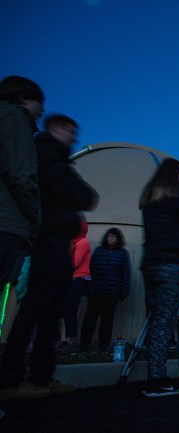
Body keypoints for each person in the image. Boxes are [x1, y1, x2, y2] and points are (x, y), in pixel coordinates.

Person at [0, 114, 97, 400]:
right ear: (56, 128)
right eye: (69, 131)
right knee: (36, 308)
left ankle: (41, 376)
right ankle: (11, 379)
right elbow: (83, 195)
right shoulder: (46, 156)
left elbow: (85, 196)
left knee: (52, 311)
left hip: (58, 239)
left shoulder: (55, 159)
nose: (73, 137)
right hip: (48, 238)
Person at [139, 158, 179, 397]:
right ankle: (156, 381)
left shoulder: (151, 200)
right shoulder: (176, 198)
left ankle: (155, 376)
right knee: (164, 322)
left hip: (151, 263)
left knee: (157, 321)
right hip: (169, 263)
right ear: (176, 176)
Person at [0, 76, 44, 401]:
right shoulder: (14, 118)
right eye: (38, 103)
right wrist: (35, 220)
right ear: (24, 98)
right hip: (7, 224)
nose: (41, 112)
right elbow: (21, 174)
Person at [79, 227, 131, 351]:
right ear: (106, 237)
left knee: (107, 320)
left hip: (112, 293)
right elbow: (90, 269)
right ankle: (84, 344)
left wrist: (123, 292)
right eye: (110, 236)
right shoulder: (99, 251)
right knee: (90, 318)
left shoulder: (123, 253)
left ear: (118, 239)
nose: (111, 238)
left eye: (114, 236)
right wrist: (87, 287)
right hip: (95, 291)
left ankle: (103, 345)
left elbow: (126, 274)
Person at [59, 220, 92, 354]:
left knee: (70, 310)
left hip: (78, 279)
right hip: (72, 279)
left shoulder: (82, 243)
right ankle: (66, 339)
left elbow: (74, 263)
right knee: (66, 310)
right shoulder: (73, 243)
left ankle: (71, 340)